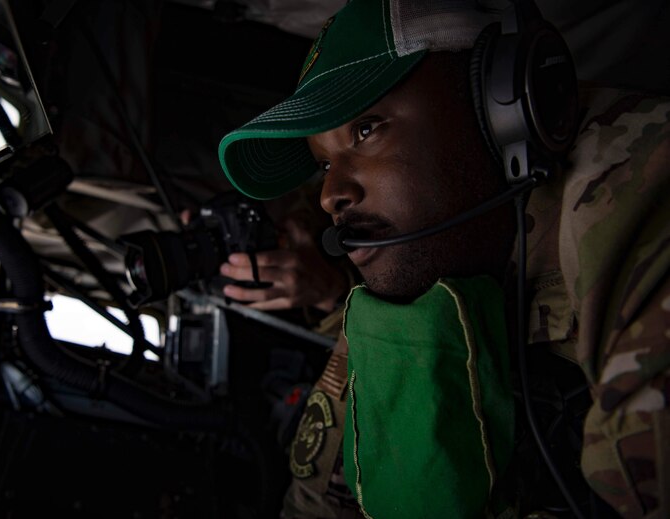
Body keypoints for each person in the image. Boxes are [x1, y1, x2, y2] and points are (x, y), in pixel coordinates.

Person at [217, 0, 670, 517]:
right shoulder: (421, 257)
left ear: (500, 109)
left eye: (366, 129)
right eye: (323, 164)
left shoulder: (643, 198)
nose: (330, 196)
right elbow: (315, 503)